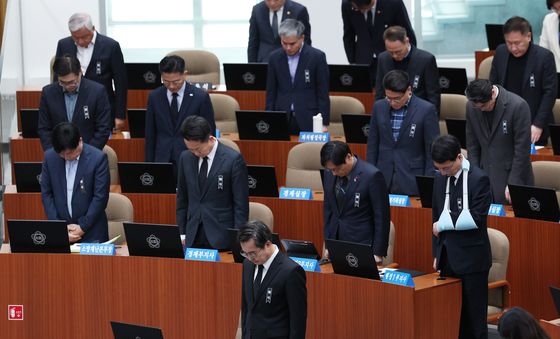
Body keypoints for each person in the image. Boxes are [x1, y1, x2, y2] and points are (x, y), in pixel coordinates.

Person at [431, 134, 492, 339]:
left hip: (473, 260)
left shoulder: (479, 179)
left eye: (446, 167)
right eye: (438, 168)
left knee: (474, 322)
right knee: (451, 319)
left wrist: (443, 225)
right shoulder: (440, 177)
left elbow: (476, 219)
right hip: (447, 258)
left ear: (459, 157)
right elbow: (436, 217)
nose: (442, 172)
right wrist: (436, 253)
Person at [176, 115, 248, 250]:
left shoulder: (233, 160)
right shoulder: (185, 158)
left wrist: (238, 241)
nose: (195, 153)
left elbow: (241, 206)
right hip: (193, 235)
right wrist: (182, 233)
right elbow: (182, 199)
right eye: (191, 149)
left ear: (210, 138)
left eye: (198, 149)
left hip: (221, 236)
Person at [367, 70, 439, 196]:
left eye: (397, 99)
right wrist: (370, 175)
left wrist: (428, 183)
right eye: (388, 98)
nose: (393, 102)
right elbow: (373, 145)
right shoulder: (379, 107)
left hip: (412, 179)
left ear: (409, 90)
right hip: (383, 177)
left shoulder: (426, 110)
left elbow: (431, 151)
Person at [489, 16, 557, 145]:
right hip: (505, 123)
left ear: (529, 36)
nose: (513, 48)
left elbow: (549, 93)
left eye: (517, 43)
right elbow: (493, 85)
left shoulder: (544, 57)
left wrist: (538, 125)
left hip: (534, 124)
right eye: (509, 43)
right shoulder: (501, 52)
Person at [465, 79, 534, 204]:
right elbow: (472, 145)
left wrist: (513, 184)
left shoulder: (518, 106)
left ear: (492, 93)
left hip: (511, 177)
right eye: (477, 106)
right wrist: (474, 178)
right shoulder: (472, 107)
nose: (480, 109)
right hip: (484, 177)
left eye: (484, 105)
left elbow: (522, 151)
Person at [321, 141, 390, 264]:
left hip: (362, 244)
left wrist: (378, 252)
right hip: (337, 243)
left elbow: (382, 217)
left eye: (337, 169)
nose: (334, 173)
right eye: (330, 169)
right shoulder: (329, 173)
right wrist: (328, 244)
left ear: (348, 157)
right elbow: (329, 210)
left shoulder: (372, 175)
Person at [55, 13, 127, 130]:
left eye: (84, 37)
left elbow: (121, 83)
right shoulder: (64, 45)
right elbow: (57, 78)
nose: (80, 41)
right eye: (75, 37)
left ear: (93, 29)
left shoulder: (111, 46)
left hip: (102, 106)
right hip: (72, 106)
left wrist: (120, 115)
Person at [40, 122, 110, 244]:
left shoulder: (98, 159)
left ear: (80, 141)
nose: (67, 157)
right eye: (62, 154)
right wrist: (59, 228)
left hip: (92, 232)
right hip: (62, 232)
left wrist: (82, 227)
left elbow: (100, 197)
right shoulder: (50, 157)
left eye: (70, 153)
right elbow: (46, 194)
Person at [238, 220, 307, 339]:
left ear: (268, 244)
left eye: (253, 253)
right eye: (245, 253)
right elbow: (246, 308)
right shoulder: (248, 265)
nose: (250, 258)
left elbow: (298, 322)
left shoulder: (291, 271)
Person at [145, 55, 215, 165]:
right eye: (166, 81)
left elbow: (209, 132)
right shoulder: (154, 96)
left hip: (191, 158)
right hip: (162, 158)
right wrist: (149, 163)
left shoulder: (200, 97)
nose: (171, 86)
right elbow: (150, 133)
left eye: (176, 81)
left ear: (185, 74)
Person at [266, 19, 330, 134]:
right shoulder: (274, 58)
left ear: (302, 38)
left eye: (292, 44)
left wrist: (324, 123)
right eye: (284, 43)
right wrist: (269, 118)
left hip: (309, 117)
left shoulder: (317, 57)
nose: (288, 48)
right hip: (282, 116)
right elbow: (271, 92)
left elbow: (323, 92)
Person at [38, 54, 111, 152]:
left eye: (71, 82)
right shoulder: (48, 93)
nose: (67, 86)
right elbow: (44, 129)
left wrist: (87, 154)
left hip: (88, 155)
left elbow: (103, 129)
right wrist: (53, 154)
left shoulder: (97, 92)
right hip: (58, 155)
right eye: (62, 82)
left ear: (80, 73)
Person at [341, 0, 416, 86]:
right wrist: (353, 63)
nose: (360, 11)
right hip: (363, 62)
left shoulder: (394, 3)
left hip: (392, 60)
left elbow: (407, 33)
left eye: (363, 9)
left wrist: (411, 62)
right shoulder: (347, 3)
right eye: (356, 8)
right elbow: (348, 35)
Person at [375, 26, 440, 113]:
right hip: (390, 111)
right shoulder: (383, 58)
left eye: (398, 51)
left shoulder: (426, 59)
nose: (394, 56)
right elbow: (379, 92)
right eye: (390, 52)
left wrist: (431, 120)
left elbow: (433, 95)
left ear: (406, 41)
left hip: (418, 113)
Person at [540, 0, 560, 70]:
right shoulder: (548, 20)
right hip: (555, 71)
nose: (559, 12)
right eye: (555, 9)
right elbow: (544, 48)